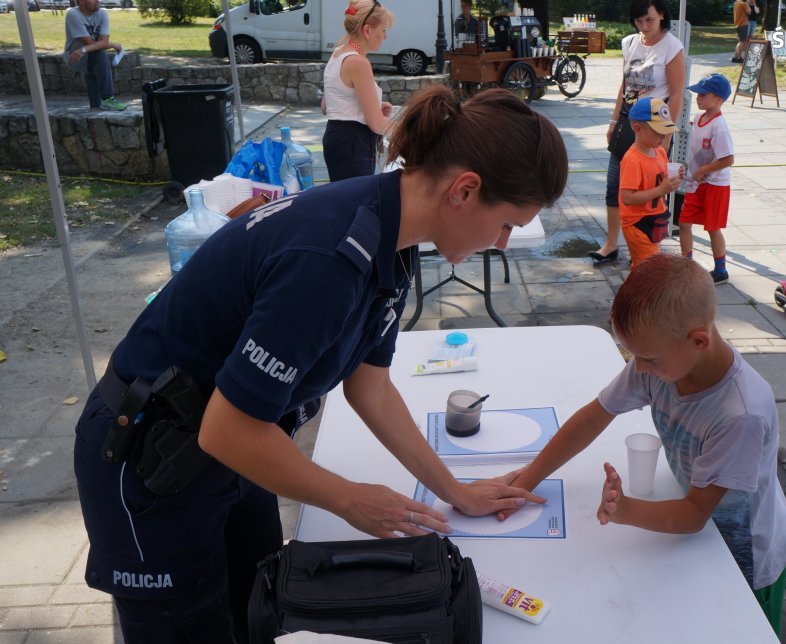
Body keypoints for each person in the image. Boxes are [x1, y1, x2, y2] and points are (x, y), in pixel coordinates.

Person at [73, 85, 568, 643]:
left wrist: (456, 491)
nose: (501, 243)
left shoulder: (395, 234)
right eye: (507, 223)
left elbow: (370, 389)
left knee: (258, 613)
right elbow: (227, 430)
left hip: (233, 448)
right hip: (149, 458)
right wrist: (349, 499)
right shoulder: (328, 260)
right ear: (465, 190)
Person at [499, 254, 786, 636]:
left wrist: (626, 510)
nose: (638, 368)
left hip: (747, 553)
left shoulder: (741, 414)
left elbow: (694, 515)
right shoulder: (661, 362)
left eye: (648, 359)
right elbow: (594, 417)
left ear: (698, 341)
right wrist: (528, 480)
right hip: (701, 533)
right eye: (634, 355)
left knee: (741, 630)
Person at [592, 0, 685, 265]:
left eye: (649, 20)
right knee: (614, 185)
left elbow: (676, 94)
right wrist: (613, 122)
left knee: (651, 187)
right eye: (639, 20)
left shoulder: (672, 47)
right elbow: (625, 86)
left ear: (662, 15)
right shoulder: (630, 43)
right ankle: (611, 244)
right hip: (627, 122)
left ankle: (649, 243)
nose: (644, 26)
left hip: (654, 126)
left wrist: (666, 137)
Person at [322, 0, 395, 182]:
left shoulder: (338, 53)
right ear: (368, 30)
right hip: (353, 144)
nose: (385, 37)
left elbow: (327, 106)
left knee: (344, 196)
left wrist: (372, 106)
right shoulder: (358, 62)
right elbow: (377, 123)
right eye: (383, 30)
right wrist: (413, 130)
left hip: (338, 139)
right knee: (355, 198)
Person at [678, 74, 735, 284]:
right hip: (695, 183)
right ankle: (686, 267)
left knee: (712, 228)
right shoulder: (698, 118)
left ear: (718, 99)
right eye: (698, 94)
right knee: (684, 223)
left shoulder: (719, 126)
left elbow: (728, 159)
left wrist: (704, 170)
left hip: (715, 185)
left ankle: (720, 270)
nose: (698, 98)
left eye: (703, 95)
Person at [618, 97, 680, 267]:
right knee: (648, 269)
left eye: (665, 131)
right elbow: (627, 198)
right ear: (638, 129)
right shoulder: (632, 160)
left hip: (655, 218)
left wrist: (674, 179)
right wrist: (661, 190)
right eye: (658, 132)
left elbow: (660, 180)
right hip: (637, 223)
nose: (663, 136)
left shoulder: (659, 152)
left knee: (645, 267)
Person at [63, 0, 125, 111]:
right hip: (75, 57)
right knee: (99, 54)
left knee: (96, 60)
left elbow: (103, 42)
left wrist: (84, 49)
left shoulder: (102, 13)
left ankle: (95, 108)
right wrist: (114, 45)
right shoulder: (73, 14)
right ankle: (107, 97)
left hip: (86, 53)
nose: (97, 0)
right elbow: (91, 43)